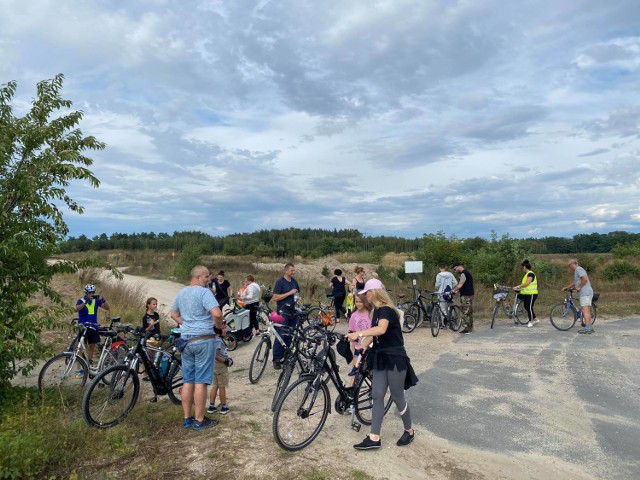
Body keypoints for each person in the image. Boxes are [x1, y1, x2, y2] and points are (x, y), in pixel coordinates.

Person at [346, 279, 417, 450]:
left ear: (373, 293)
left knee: (397, 396)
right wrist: (361, 346)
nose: (365, 297)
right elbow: (373, 335)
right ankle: (374, 437)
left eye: (366, 294)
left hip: (395, 358)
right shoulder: (375, 312)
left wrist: (359, 333)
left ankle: (409, 431)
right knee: (377, 395)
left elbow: (381, 329)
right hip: (380, 357)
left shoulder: (386, 310)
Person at [171, 265, 224, 431]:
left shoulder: (181, 292)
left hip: (186, 340)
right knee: (201, 381)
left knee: (188, 380)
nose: (209, 279)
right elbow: (217, 313)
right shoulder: (204, 292)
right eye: (207, 276)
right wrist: (218, 327)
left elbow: (174, 314)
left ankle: (187, 418)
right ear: (198, 277)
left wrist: (186, 324)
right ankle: (200, 420)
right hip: (203, 340)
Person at [271, 263, 300, 369]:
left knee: (289, 335)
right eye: (291, 270)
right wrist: (289, 293)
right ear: (286, 271)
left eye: (294, 270)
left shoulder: (294, 282)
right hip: (283, 312)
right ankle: (277, 359)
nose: (293, 272)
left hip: (293, 312)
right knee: (281, 335)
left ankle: (285, 356)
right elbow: (275, 297)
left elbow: (297, 294)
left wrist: (298, 299)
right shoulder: (280, 282)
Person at [74, 283, 110, 370]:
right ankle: (79, 369)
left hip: (93, 326)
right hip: (83, 325)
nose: (92, 294)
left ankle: (89, 364)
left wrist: (104, 300)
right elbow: (76, 309)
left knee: (91, 346)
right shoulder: (81, 300)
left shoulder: (96, 301)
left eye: (93, 292)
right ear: (86, 293)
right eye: (90, 292)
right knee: (81, 347)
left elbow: (107, 308)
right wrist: (85, 302)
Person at [207, 323, 233, 415]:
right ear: (218, 330)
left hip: (214, 366)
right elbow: (216, 355)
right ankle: (223, 406)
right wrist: (226, 361)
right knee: (222, 386)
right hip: (220, 365)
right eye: (223, 328)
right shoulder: (218, 341)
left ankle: (212, 406)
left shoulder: (213, 339)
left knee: (215, 385)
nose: (225, 330)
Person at [563, 259, 595, 334]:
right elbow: (576, 282)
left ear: (572, 264)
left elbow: (584, 279)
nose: (569, 268)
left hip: (585, 292)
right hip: (584, 293)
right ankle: (589, 327)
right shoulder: (577, 271)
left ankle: (588, 328)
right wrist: (567, 287)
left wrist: (579, 287)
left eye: (569, 266)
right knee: (585, 310)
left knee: (585, 310)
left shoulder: (578, 269)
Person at [346, 293, 372, 379]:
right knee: (355, 373)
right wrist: (353, 350)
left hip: (370, 347)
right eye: (356, 301)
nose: (358, 304)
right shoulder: (354, 315)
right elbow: (352, 333)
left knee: (370, 372)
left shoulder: (370, 313)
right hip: (358, 348)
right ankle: (351, 390)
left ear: (365, 302)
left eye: (360, 302)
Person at [513, 260, 538, 328]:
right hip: (527, 293)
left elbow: (527, 283)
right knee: (527, 307)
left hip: (532, 294)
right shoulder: (526, 275)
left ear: (525, 267)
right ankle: (535, 319)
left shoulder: (530, 274)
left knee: (529, 307)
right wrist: (519, 289)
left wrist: (518, 286)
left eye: (522, 267)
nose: (522, 269)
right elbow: (525, 286)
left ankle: (531, 321)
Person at [451, 262, 474, 334]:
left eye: (455, 269)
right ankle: (470, 327)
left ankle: (467, 328)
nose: (455, 271)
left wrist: (453, 290)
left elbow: (460, 285)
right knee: (469, 311)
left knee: (465, 311)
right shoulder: (467, 273)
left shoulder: (463, 274)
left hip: (466, 295)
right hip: (469, 294)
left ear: (458, 267)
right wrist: (457, 291)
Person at [142, 297, 161, 381]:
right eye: (153, 304)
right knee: (147, 356)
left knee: (153, 356)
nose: (155, 305)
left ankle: (151, 374)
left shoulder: (156, 315)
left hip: (156, 337)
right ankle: (145, 374)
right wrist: (150, 325)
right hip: (149, 338)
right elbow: (145, 330)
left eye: (156, 304)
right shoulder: (145, 317)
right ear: (148, 305)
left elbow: (158, 327)